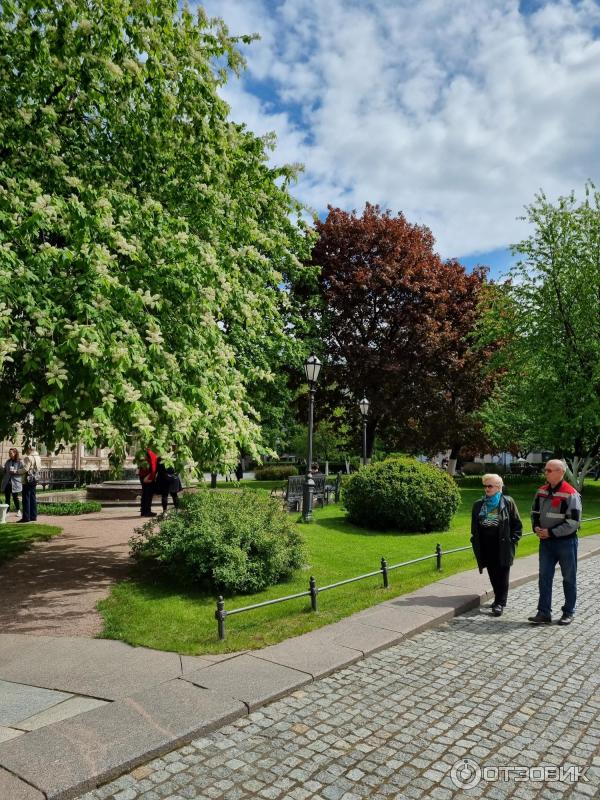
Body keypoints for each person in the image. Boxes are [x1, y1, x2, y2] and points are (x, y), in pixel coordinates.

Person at [528, 459, 581, 626]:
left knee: (569, 578)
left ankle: (568, 612)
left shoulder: (571, 493)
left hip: (566, 543)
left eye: (549, 470)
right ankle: (544, 613)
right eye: (545, 470)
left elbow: (573, 522)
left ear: (561, 472)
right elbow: (534, 512)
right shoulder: (541, 491)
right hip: (546, 544)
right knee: (544, 577)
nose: (546, 473)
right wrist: (536, 527)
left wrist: (551, 532)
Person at [471, 473, 522, 616]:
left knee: (503, 574)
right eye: (485, 485)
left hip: (503, 544)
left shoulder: (508, 502)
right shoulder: (478, 504)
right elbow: (474, 527)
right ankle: (497, 598)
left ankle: (500, 602)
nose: (486, 488)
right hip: (486, 545)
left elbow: (517, 524)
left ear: (498, 487)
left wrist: (513, 540)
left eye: (490, 486)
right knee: (492, 573)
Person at [19, 445, 41, 523]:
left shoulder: (28, 457)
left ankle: (26, 517)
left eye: (27, 449)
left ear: (29, 449)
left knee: (26, 499)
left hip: (27, 480)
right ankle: (33, 516)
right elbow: (38, 468)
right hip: (34, 479)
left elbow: (26, 469)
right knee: (33, 498)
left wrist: (17, 471)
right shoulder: (38, 457)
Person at [1, 448, 24, 519]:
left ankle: (18, 511)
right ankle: (7, 511)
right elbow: (4, 470)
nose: (9, 454)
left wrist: (16, 471)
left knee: (15, 497)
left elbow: (23, 470)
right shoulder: (8, 461)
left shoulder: (20, 462)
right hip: (8, 481)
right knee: (7, 498)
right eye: (9, 453)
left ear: (15, 453)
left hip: (15, 482)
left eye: (11, 453)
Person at [138, 448, 158, 517]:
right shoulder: (151, 452)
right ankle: (147, 511)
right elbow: (153, 466)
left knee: (144, 494)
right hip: (147, 476)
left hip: (143, 475)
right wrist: (152, 477)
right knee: (148, 495)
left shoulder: (143, 451)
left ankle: (143, 511)